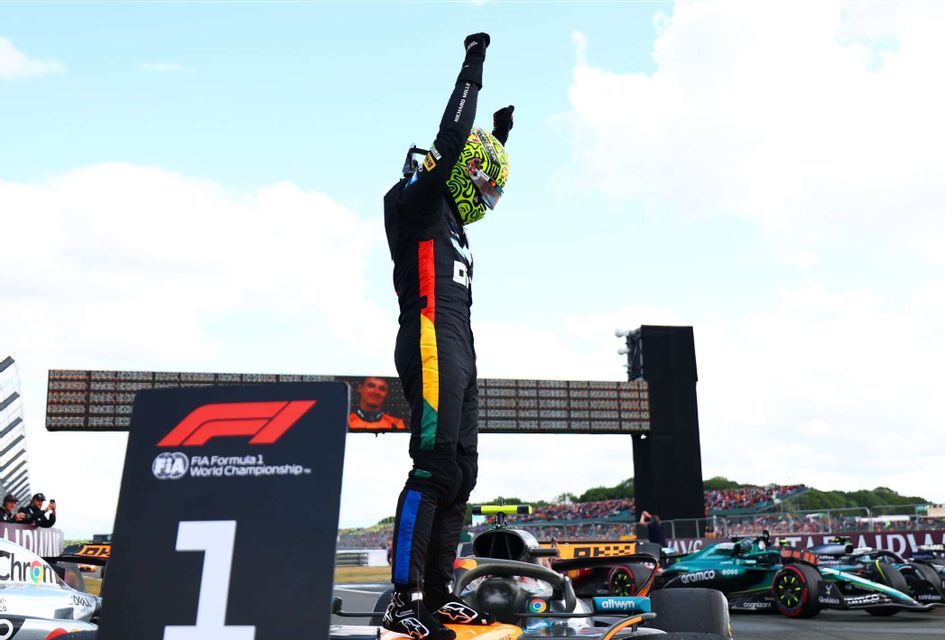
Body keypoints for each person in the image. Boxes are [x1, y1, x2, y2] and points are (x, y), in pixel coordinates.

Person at [381, 32, 513, 640]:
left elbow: (471, 156)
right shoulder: (417, 202)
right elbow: (452, 143)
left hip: (461, 344)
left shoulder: (455, 222)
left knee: (462, 473)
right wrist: (474, 67)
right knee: (433, 467)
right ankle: (402, 598)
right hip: (431, 334)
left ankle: (436, 593)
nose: (486, 197)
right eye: (483, 183)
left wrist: (500, 137)